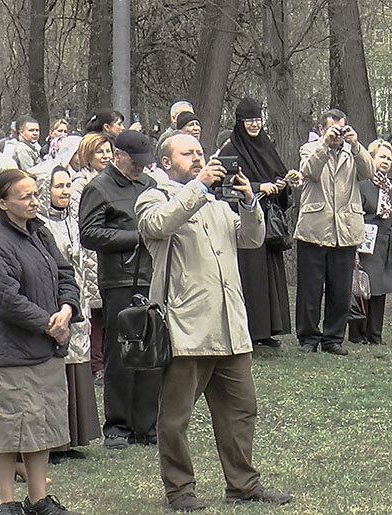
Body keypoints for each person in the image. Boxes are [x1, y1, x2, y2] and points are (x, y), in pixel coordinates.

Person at [136, 134, 291, 511]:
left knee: (241, 411)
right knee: (175, 418)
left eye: (200, 152)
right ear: (167, 162)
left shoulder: (215, 204)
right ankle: (180, 490)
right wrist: (197, 186)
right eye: (187, 153)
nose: (197, 157)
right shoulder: (154, 197)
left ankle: (242, 484)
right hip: (187, 326)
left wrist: (251, 202)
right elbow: (158, 226)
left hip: (230, 327)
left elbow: (251, 239)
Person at [0, 169, 82, 515]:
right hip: (13, 352)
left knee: (41, 427)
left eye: (35, 194)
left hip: (47, 348)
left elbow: (65, 273)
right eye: (25, 196)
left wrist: (66, 309)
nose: (34, 201)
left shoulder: (40, 233)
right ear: (3, 203)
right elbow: (6, 297)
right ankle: (5, 501)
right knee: (8, 428)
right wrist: (50, 324)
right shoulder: (0, 241)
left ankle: (38, 498)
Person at [77, 130, 159, 449]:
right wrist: (134, 237)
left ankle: (146, 424)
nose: (139, 168)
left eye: (144, 163)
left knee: (150, 349)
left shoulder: (150, 186)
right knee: (120, 350)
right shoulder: (99, 187)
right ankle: (118, 425)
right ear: (117, 155)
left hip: (152, 276)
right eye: (135, 162)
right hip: (120, 279)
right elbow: (89, 233)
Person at [294, 109, 372, 355]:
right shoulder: (310, 148)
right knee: (310, 288)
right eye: (332, 129)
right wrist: (325, 145)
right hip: (315, 227)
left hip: (345, 229)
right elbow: (309, 171)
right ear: (321, 129)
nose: (337, 134)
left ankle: (333, 338)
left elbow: (369, 172)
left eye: (341, 129)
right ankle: (308, 337)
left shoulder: (353, 152)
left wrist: (356, 144)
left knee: (340, 288)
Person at [38, 167, 100, 460]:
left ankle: (72, 437)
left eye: (67, 186)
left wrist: (84, 305)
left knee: (77, 368)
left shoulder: (73, 222)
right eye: (57, 186)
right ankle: (52, 444)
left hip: (77, 302)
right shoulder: (38, 227)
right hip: (53, 306)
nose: (64, 191)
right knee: (55, 374)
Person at [227, 99, 292, 348]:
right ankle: (250, 330)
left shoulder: (267, 147)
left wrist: (282, 185)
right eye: (249, 121)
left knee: (269, 275)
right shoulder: (231, 149)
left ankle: (267, 330)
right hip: (245, 222)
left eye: (257, 120)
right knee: (250, 275)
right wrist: (256, 188)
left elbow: (278, 174)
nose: (254, 125)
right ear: (240, 123)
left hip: (269, 224)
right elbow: (225, 186)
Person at [67, 134, 112, 380]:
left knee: (108, 314)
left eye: (108, 151)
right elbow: (78, 222)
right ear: (87, 155)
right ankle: (97, 365)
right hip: (89, 254)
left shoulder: (114, 180)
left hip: (108, 253)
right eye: (99, 152)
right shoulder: (79, 184)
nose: (105, 156)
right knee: (94, 316)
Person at [349, 140, 392, 345]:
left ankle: (375, 334)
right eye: (382, 157)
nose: (386, 161)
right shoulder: (362, 184)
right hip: (366, 241)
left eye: (389, 158)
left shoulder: (389, 187)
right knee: (363, 288)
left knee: (380, 289)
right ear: (372, 158)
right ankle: (358, 334)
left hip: (385, 242)